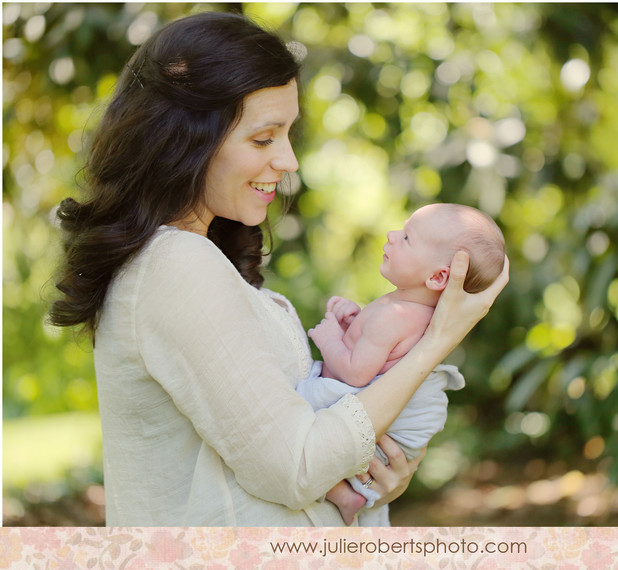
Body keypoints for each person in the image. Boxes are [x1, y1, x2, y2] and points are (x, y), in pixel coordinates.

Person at [48, 11, 508, 526]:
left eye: (288, 135)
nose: (288, 160)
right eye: (264, 139)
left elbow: (301, 448)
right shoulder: (174, 264)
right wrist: (437, 342)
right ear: (184, 140)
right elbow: (299, 468)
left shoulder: (198, 257)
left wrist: (381, 474)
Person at [299, 203, 505, 524]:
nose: (392, 235)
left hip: (381, 436)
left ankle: (344, 493)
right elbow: (382, 354)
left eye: (408, 238)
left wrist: (328, 340)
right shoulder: (413, 311)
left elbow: (356, 373)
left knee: (304, 411)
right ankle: (346, 493)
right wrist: (354, 322)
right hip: (388, 432)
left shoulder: (394, 318)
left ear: (438, 277)